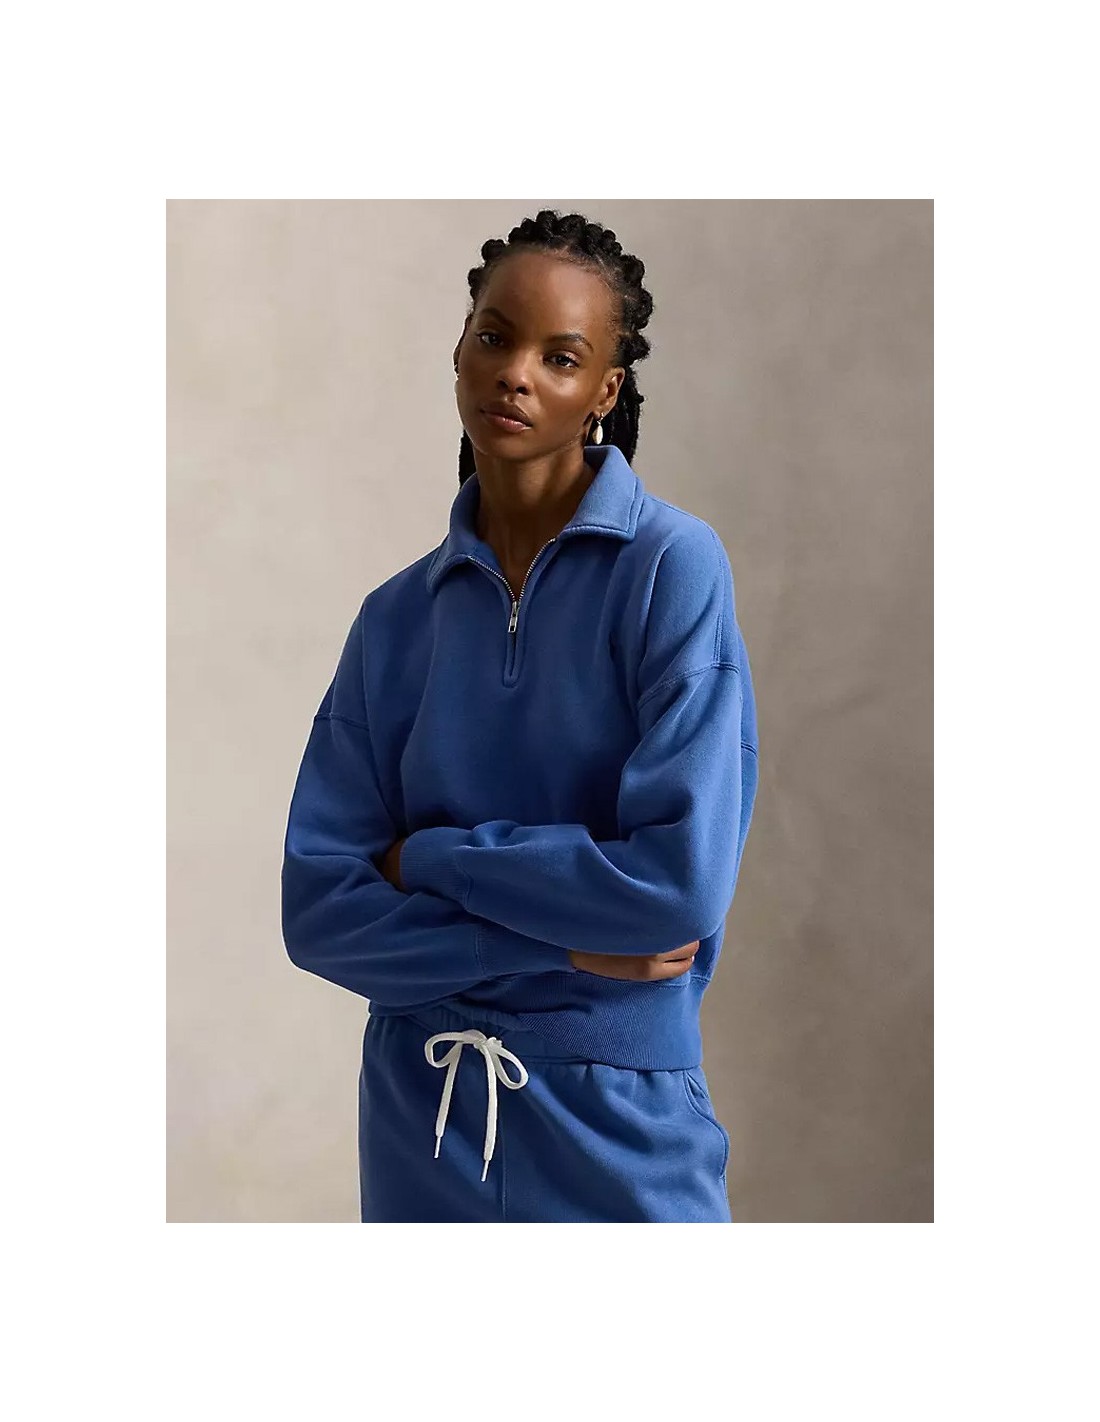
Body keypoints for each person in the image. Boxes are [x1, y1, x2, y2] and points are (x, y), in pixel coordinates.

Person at [281, 208, 759, 1222]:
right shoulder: (393, 618)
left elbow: (672, 892)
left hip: (614, 1118)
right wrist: (559, 945)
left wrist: (431, 860)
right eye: (495, 337)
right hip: (421, 1116)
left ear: (605, 391)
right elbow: (320, 914)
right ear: (459, 348)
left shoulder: (671, 569)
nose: (515, 374)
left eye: (560, 356)